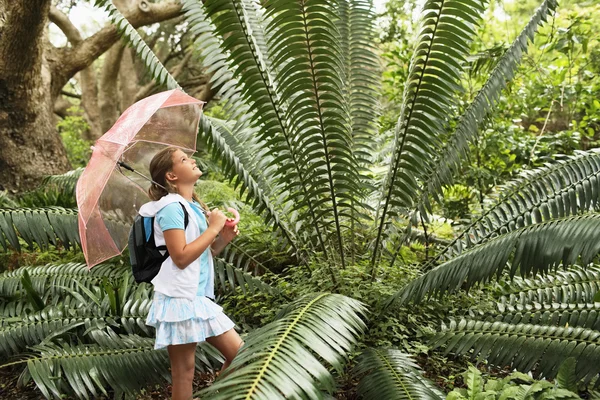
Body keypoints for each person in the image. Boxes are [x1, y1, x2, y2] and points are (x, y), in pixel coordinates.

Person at [139, 146, 243, 400]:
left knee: (234, 358)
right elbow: (181, 257)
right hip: (181, 300)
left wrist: (222, 238)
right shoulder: (170, 208)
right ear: (171, 176)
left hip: (194, 298)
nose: (192, 159)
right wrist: (214, 228)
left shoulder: (191, 206)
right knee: (190, 371)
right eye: (183, 159)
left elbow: (201, 257)